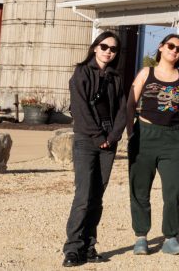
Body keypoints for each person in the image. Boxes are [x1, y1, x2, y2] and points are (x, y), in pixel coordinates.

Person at [62, 31, 128, 267]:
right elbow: (79, 108)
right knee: (83, 195)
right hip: (86, 140)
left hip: (109, 142)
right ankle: (72, 249)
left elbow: (123, 110)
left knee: (97, 196)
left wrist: (113, 136)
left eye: (113, 49)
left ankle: (89, 246)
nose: (108, 51)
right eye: (104, 46)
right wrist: (98, 135)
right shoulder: (81, 73)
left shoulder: (116, 77)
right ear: (94, 48)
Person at [126, 33, 179, 255]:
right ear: (161, 47)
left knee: (173, 191)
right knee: (140, 189)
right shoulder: (147, 72)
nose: (175, 51)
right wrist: (130, 133)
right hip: (145, 135)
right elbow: (130, 103)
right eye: (171, 46)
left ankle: (171, 238)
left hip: (173, 139)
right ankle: (141, 237)